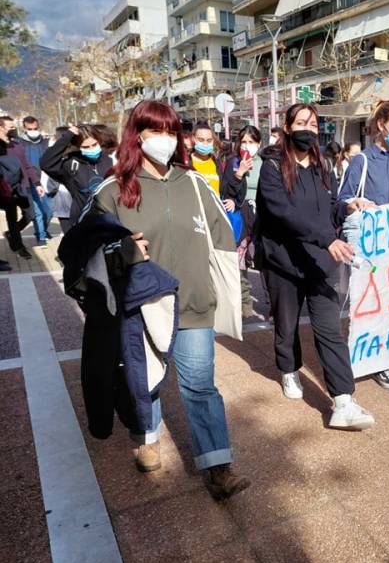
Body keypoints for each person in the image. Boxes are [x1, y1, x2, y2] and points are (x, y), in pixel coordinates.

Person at [84, 100, 250, 498]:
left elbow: (225, 239)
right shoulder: (112, 191)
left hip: (193, 304)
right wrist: (120, 252)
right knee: (147, 380)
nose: (165, 139)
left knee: (200, 385)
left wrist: (230, 292)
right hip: (141, 306)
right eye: (155, 130)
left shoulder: (194, 184)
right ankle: (147, 436)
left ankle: (217, 466)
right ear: (137, 134)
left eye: (171, 131)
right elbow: (83, 248)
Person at [256, 103, 375, 429]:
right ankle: (289, 369)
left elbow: (327, 210)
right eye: (301, 122)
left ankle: (343, 401)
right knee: (287, 324)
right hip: (284, 261)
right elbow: (284, 213)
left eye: (312, 122)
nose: (307, 127)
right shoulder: (272, 167)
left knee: (329, 331)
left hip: (320, 261)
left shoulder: (322, 167)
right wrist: (327, 239)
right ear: (288, 127)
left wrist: (347, 207)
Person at [338, 100, 389, 389]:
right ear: (381, 125)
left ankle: (388, 350)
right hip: (373, 248)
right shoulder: (362, 161)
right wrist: (355, 203)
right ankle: (376, 359)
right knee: (373, 302)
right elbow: (342, 199)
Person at [40, 123, 113, 231]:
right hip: (83, 222)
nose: (91, 149)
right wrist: (67, 136)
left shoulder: (108, 160)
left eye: (94, 144)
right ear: (78, 147)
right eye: (86, 147)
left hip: (109, 221)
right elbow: (46, 163)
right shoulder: (71, 165)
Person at [226, 125, 259, 317]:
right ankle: (244, 303)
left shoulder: (266, 163)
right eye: (244, 142)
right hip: (240, 217)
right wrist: (239, 173)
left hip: (261, 217)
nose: (247, 146)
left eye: (252, 142)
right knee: (239, 263)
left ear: (258, 143)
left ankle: (273, 306)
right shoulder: (233, 163)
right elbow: (227, 191)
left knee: (262, 262)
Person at [0, 116, 33, 259]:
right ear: (1, 128)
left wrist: (36, 183)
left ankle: (11, 235)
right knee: (11, 217)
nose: (14, 129)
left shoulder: (16, 144)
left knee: (30, 214)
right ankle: (18, 246)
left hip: (20, 186)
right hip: (4, 188)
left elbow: (26, 164)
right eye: (11, 127)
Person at [18, 116, 53, 246]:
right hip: (30, 181)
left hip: (45, 180)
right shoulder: (19, 143)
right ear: (24, 128)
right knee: (37, 211)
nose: (33, 131)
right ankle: (41, 236)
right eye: (30, 129)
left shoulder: (45, 142)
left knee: (49, 212)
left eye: (35, 128)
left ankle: (42, 229)